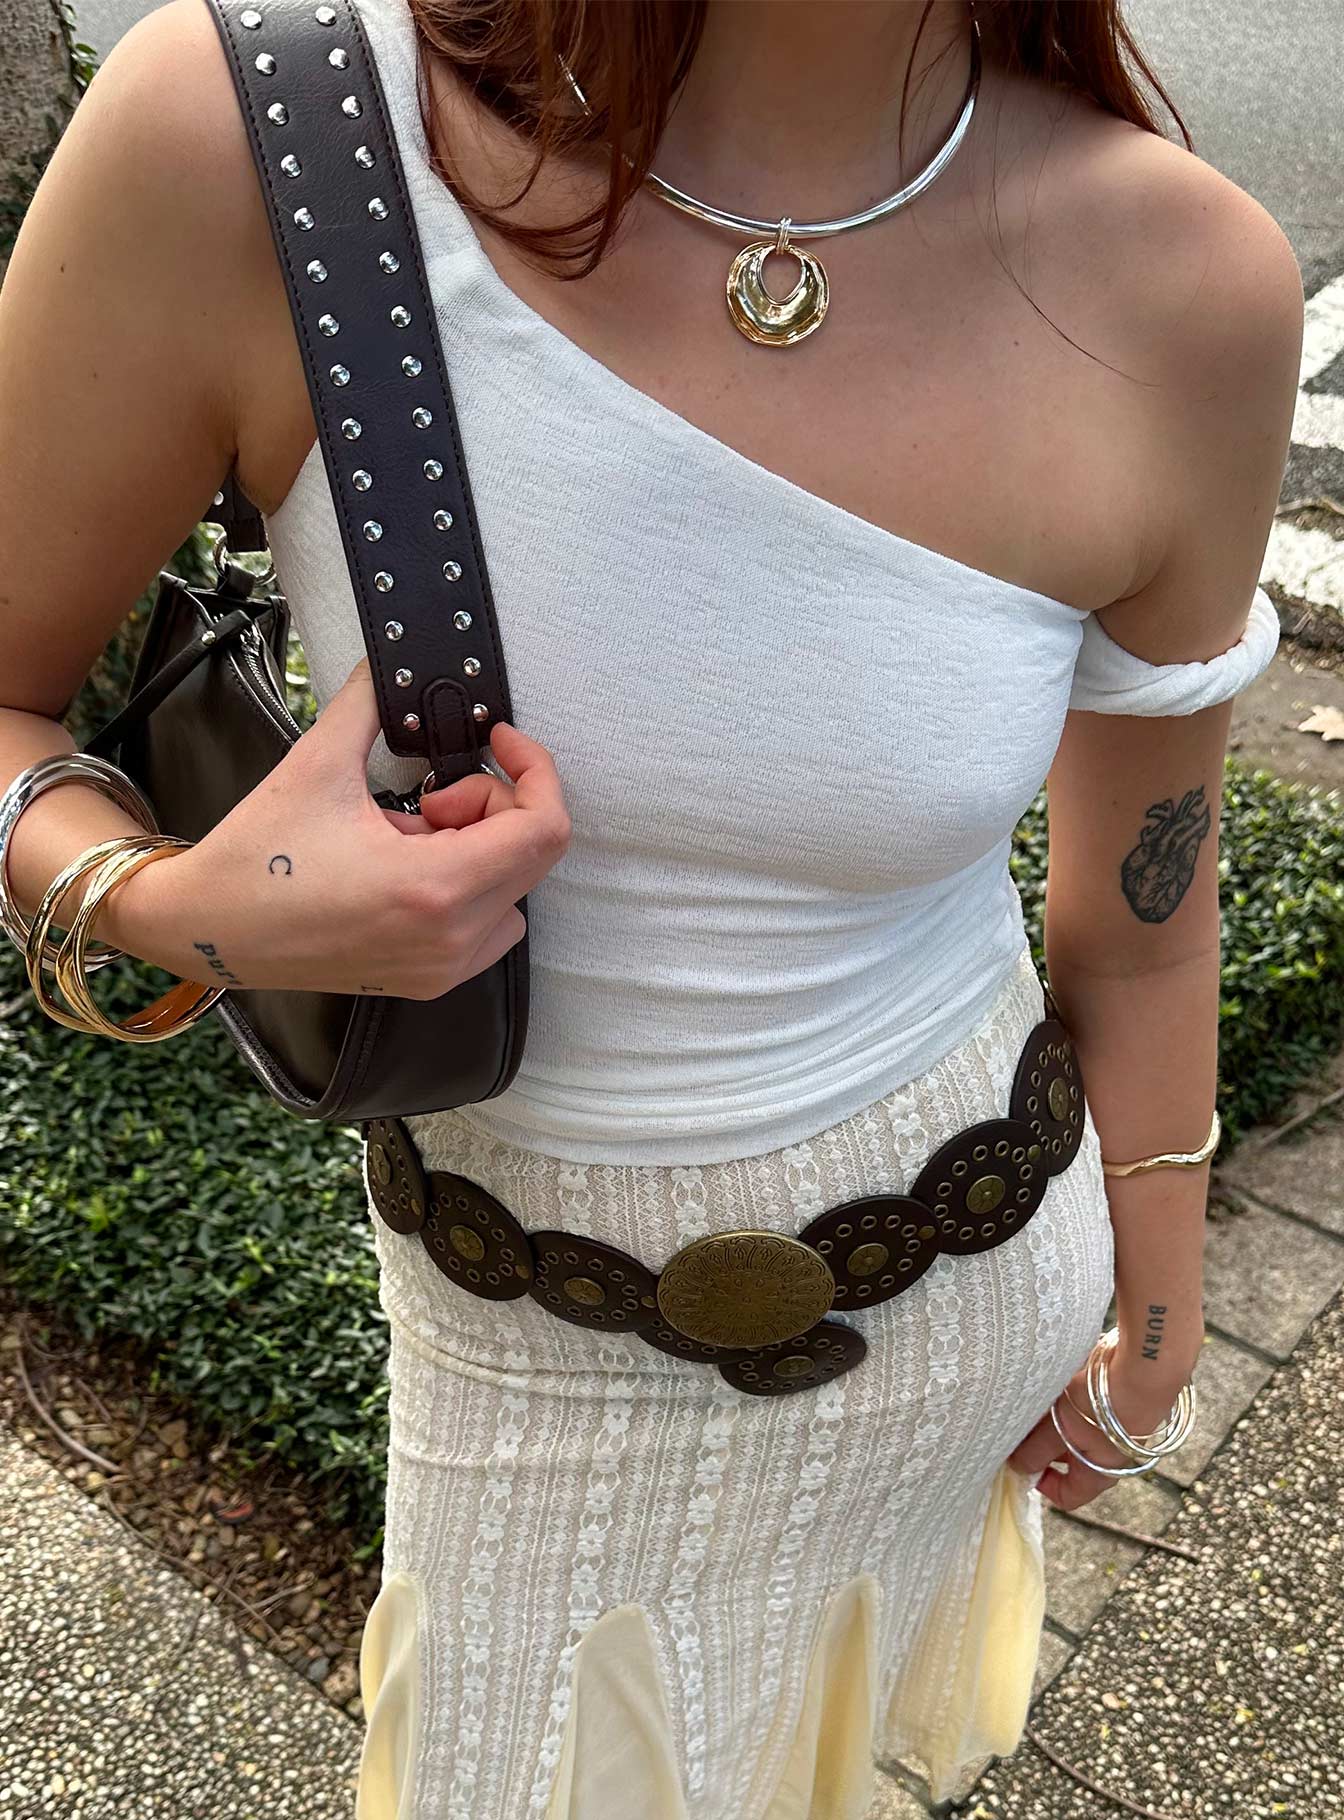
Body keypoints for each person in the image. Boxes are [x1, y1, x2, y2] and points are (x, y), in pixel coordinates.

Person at [0, 0, 1300, 1814]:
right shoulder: (266, 135)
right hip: (528, 1351)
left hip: (977, 1281)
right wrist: (169, 909)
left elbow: (1149, 917)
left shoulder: (1188, 285)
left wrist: (1156, 1311)